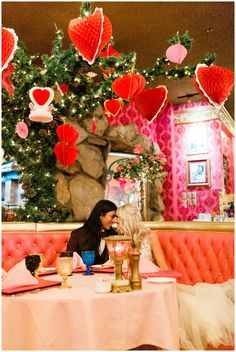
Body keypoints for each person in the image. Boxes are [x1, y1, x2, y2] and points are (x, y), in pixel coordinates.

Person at [116, 203, 234, 350]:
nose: (116, 222)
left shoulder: (150, 237)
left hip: (151, 284)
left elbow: (163, 267)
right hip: (131, 287)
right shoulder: (119, 241)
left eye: (118, 218)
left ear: (127, 219)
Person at [67, 200, 117, 265]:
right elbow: (68, 260)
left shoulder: (115, 236)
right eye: (112, 216)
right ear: (101, 215)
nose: (114, 220)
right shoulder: (78, 235)